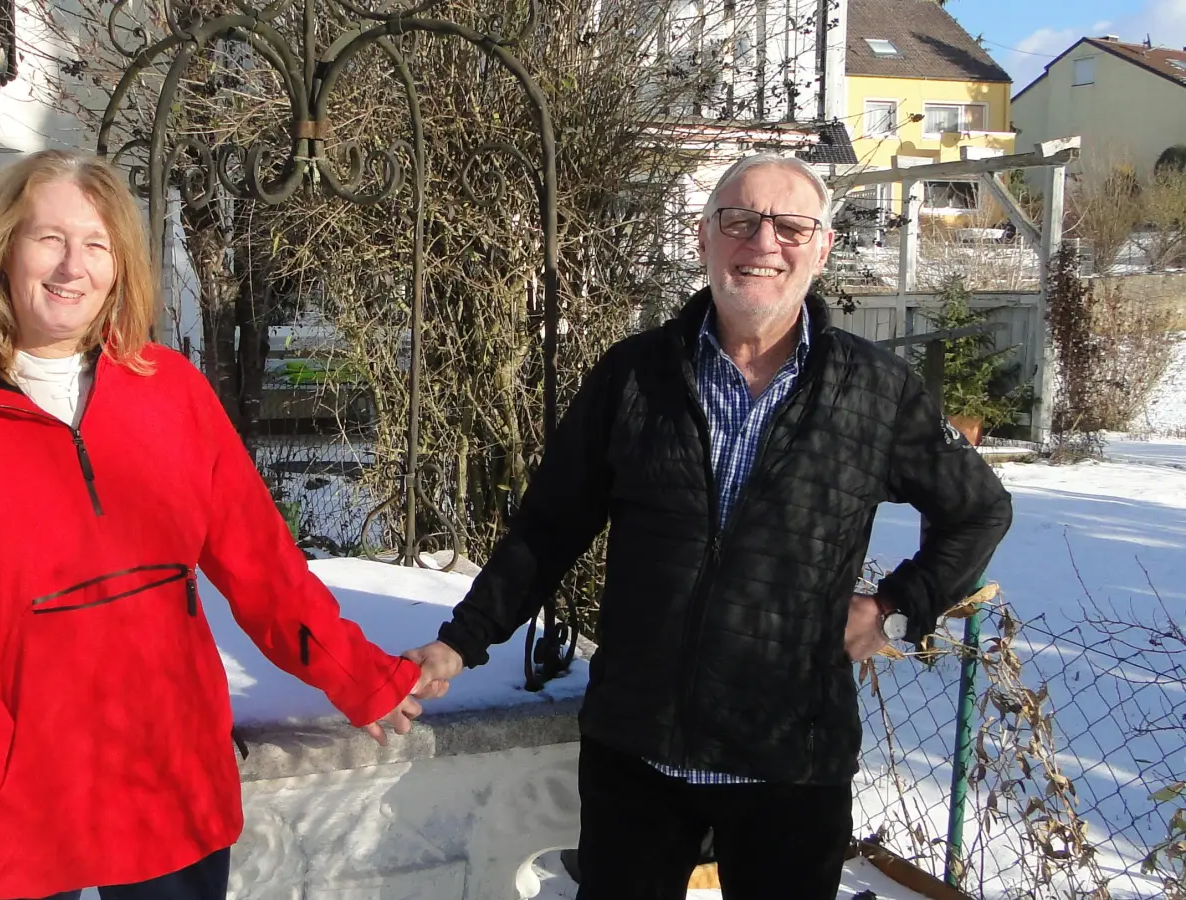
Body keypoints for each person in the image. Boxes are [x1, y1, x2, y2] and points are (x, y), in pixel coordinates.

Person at [406, 153, 1013, 899]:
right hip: (638, 754)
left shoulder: (874, 390)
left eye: (790, 226)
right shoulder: (633, 376)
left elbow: (977, 510)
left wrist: (892, 605)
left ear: (821, 249)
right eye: (740, 221)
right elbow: (548, 526)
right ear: (703, 238)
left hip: (790, 757)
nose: (763, 244)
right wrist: (461, 641)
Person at [0, 149, 426, 900]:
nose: (70, 266)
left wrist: (359, 676)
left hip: (163, 781)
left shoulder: (169, 393)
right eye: (47, 238)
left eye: (96, 244)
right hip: (11, 802)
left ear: (120, 266)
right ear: (3, 249)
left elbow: (260, 563)